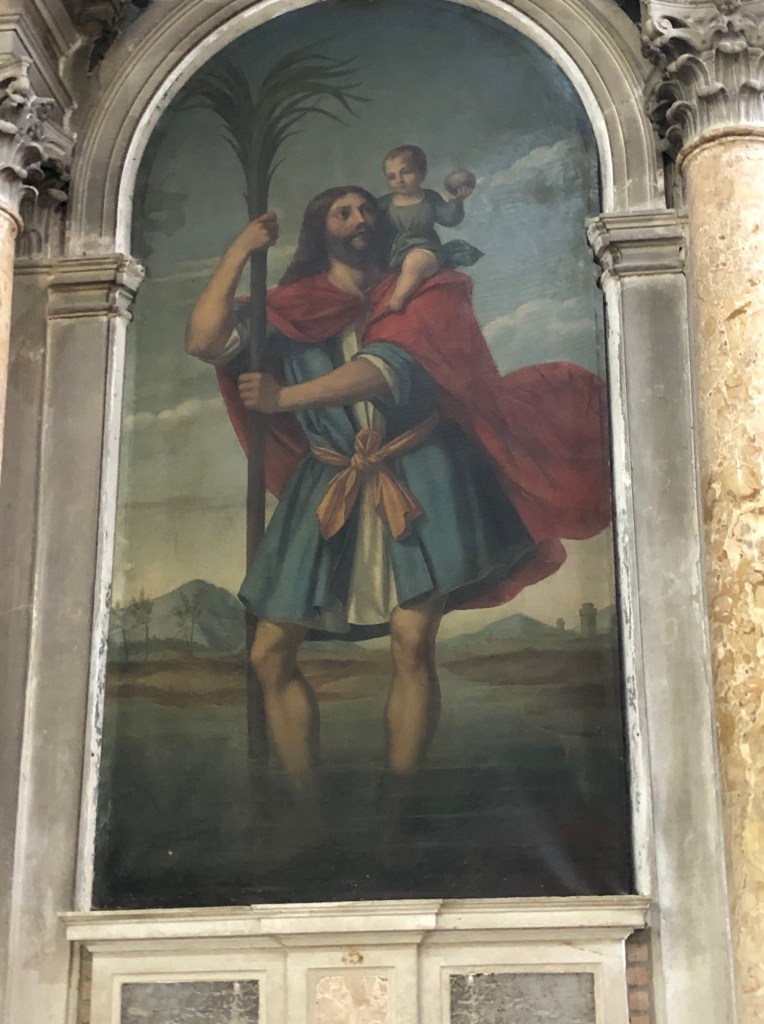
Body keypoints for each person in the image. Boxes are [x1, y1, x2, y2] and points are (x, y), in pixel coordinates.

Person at [185, 186, 610, 822]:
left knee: (412, 644)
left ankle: (398, 810)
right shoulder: (292, 307)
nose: (361, 220)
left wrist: (284, 399)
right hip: (329, 481)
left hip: (419, 473)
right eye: (344, 212)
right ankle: (308, 809)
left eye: (367, 210)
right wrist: (241, 250)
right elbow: (204, 340)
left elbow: (389, 371)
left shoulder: (418, 292)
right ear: (320, 229)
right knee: (269, 654)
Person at [378, 144, 482, 311]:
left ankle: (397, 300)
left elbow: (450, 219)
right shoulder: (384, 203)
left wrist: (456, 201)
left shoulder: (430, 198)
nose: (399, 180)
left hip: (426, 250)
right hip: (394, 253)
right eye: (392, 176)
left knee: (415, 261)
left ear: (422, 173)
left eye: (405, 172)